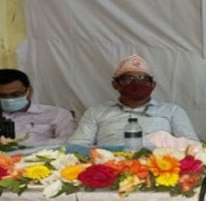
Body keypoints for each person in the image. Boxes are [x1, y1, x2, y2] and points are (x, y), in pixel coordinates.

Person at [68, 55, 198, 146]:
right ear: (115, 84)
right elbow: (76, 147)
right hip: (111, 171)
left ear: (153, 85)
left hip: (160, 172)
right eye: (128, 79)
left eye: (143, 79)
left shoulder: (172, 111)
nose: (136, 83)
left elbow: (192, 147)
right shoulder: (96, 112)